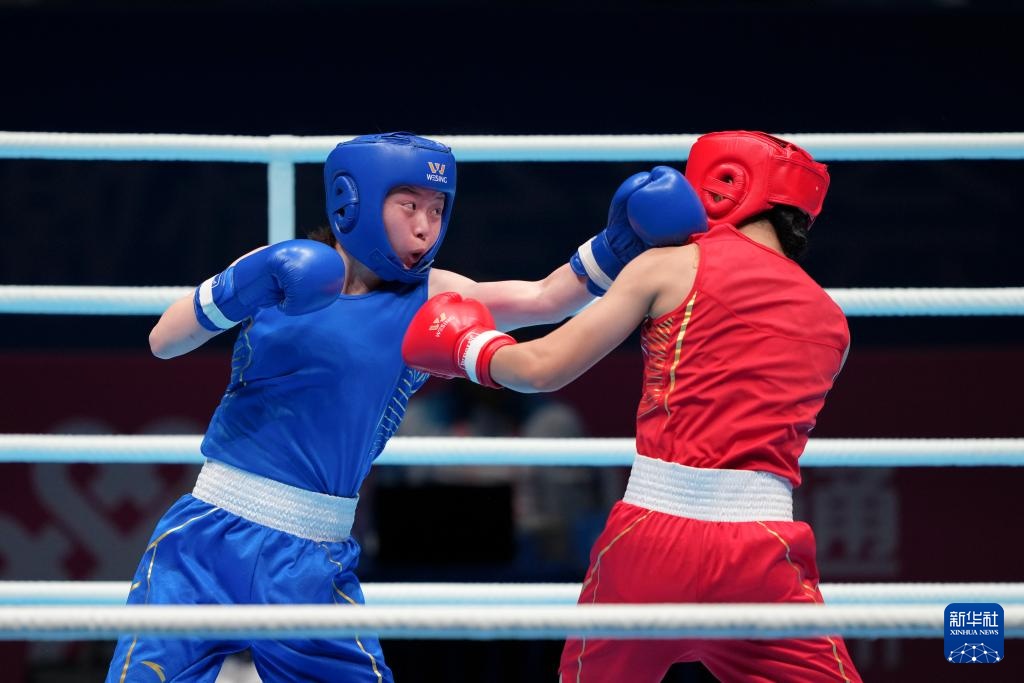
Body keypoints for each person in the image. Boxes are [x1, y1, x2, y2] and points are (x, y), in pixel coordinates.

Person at [107, 131, 703, 683]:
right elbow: (164, 341)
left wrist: (617, 247)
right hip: (207, 533)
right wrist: (245, 284)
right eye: (409, 206)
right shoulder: (279, 268)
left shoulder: (432, 296)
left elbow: (546, 298)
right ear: (355, 202)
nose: (425, 227)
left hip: (311, 555)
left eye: (437, 209)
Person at [403, 130, 862, 682]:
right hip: (765, 553)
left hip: (652, 542)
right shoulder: (832, 323)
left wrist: (467, 348)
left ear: (722, 186)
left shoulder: (668, 265)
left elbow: (541, 367)